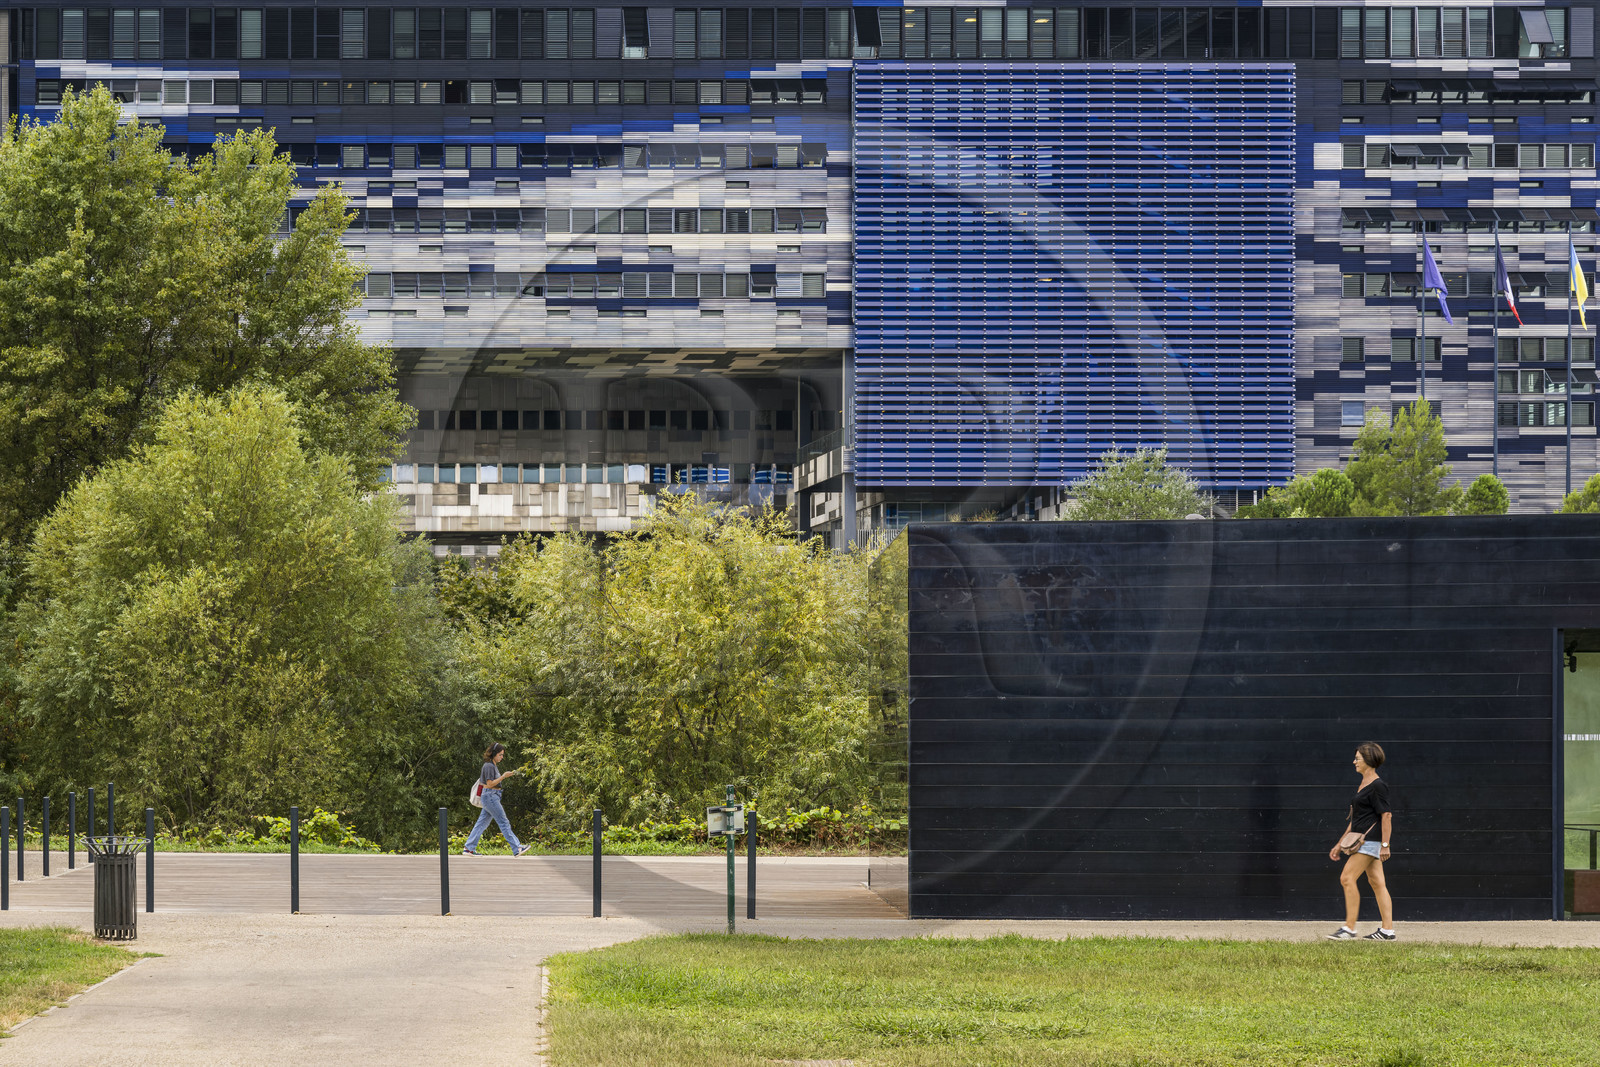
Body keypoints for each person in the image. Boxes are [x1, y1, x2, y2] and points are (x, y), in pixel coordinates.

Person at [1327, 741, 1395, 941]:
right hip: (1364, 841)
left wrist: (1385, 845)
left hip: (1370, 842)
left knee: (1346, 878)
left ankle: (1349, 928)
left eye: (1357, 758)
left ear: (1368, 760)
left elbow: (1387, 816)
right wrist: (1340, 844)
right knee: (1377, 883)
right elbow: (1356, 820)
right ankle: (1387, 931)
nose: (1354, 761)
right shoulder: (1363, 785)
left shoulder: (1378, 785)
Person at [464, 743, 531, 857]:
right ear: (494, 754)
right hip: (490, 796)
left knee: (481, 823)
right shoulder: (489, 766)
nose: (502, 757)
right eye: (500, 755)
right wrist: (503, 776)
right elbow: (490, 784)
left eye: (502, 755)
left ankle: (469, 848)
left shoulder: (492, 765)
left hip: (491, 796)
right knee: (503, 822)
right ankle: (517, 848)